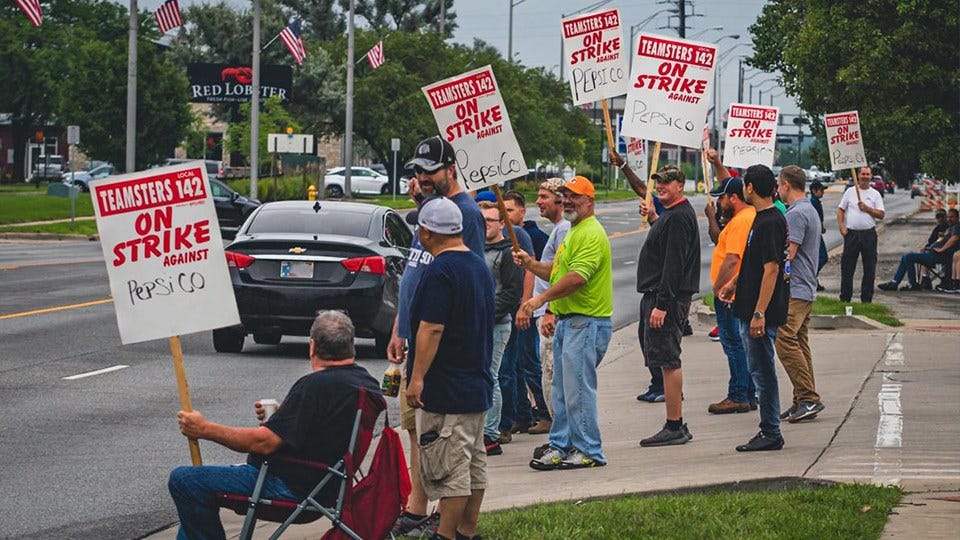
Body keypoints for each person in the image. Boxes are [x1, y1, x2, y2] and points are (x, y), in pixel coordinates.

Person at [168, 311, 382, 540]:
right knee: (194, 495)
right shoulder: (365, 382)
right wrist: (286, 415)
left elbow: (263, 443)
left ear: (312, 346)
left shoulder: (313, 387)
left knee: (185, 480)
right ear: (351, 345)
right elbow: (329, 425)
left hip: (289, 489)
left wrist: (204, 429)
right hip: (326, 487)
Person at [388, 136, 486, 538]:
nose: (421, 178)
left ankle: (447, 530)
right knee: (423, 433)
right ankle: (424, 509)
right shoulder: (433, 214)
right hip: (426, 351)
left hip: (445, 365)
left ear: (450, 169)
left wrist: (421, 373)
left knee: (449, 452)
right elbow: (414, 277)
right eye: (417, 172)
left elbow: (446, 313)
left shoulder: (461, 221)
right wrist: (400, 325)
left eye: (429, 172)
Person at [406, 196, 495, 540]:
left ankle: (444, 535)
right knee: (473, 467)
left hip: (447, 388)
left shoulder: (439, 270)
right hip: (475, 384)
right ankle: (466, 532)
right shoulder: (477, 265)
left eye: (420, 227)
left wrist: (417, 379)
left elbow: (432, 327)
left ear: (428, 233)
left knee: (450, 471)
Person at [514, 176, 613, 470]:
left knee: (578, 391)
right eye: (565, 196)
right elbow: (558, 272)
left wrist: (538, 300)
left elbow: (577, 278)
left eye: (575, 196)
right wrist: (531, 265)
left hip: (586, 323)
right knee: (561, 390)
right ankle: (561, 445)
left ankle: (589, 451)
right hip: (569, 323)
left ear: (590, 201)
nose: (568, 200)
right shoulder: (573, 230)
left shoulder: (590, 233)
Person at [719, 164, 789, 452]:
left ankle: (771, 431)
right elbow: (753, 263)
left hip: (759, 313)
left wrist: (759, 312)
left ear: (749, 188)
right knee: (757, 368)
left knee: (762, 372)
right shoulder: (760, 219)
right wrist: (734, 283)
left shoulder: (770, 221)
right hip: (746, 307)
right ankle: (768, 429)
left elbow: (772, 269)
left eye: (744, 184)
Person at [633, 165, 700, 446]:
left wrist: (662, 304)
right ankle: (676, 424)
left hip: (666, 300)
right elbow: (665, 247)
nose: (661, 187)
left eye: (667, 183)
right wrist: (653, 219)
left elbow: (673, 264)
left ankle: (674, 425)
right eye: (659, 183)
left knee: (669, 360)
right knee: (662, 359)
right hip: (660, 296)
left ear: (680, 185)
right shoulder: (671, 215)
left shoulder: (678, 217)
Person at [515, 178, 570, 437]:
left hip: (550, 314)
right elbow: (549, 270)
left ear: (560, 199)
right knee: (548, 373)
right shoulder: (558, 229)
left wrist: (549, 310)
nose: (538, 201)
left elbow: (561, 274)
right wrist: (529, 263)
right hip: (544, 311)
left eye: (544, 196)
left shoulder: (563, 230)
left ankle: (559, 431)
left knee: (550, 375)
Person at [775, 165, 826, 423]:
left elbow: (789, 254)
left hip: (795, 287)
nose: (778, 189)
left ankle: (807, 397)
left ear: (786, 184)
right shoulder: (809, 209)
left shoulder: (795, 214)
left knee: (783, 337)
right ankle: (801, 401)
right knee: (799, 341)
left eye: (779, 184)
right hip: (806, 285)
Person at [705, 169, 758, 415]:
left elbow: (732, 259)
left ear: (734, 197)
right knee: (742, 344)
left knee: (733, 344)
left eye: (722, 197)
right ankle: (748, 393)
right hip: (739, 291)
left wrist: (718, 288)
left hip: (730, 294)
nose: (719, 202)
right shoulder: (750, 216)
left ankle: (738, 394)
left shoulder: (740, 221)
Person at [499, 189, 551, 437]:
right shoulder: (498, 236)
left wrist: (529, 304)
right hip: (511, 309)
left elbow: (538, 272)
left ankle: (545, 412)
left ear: (522, 211)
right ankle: (521, 414)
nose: (505, 216)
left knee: (529, 363)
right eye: (502, 212)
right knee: (512, 366)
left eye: (510, 210)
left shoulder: (532, 237)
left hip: (528, 309)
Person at [479, 202, 524, 456]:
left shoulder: (508, 253)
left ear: (501, 225)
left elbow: (511, 293)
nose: (486, 224)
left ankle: (491, 434)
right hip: (476, 325)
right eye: (482, 219)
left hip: (497, 325)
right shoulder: (475, 248)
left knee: (491, 376)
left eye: (491, 220)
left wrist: (484, 314)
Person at [878, 209, 960, 292]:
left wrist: (942, 249)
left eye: (952, 217)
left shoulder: (957, 227)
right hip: (933, 253)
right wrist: (929, 247)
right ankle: (894, 283)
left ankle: (912, 284)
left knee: (908, 257)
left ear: (957, 218)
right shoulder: (950, 228)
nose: (949, 219)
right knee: (905, 257)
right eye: (948, 217)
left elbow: (954, 238)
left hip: (938, 256)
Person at [837, 166, 885, 303]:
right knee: (847, 267)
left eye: (867, 174)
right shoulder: (850, 192)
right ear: (858, 175)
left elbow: (881, 214)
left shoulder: (875, 194)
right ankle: (845, 298)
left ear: (871, 176)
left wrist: (867, 208)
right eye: (862, 174)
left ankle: (866, 299)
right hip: (851, 234)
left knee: (869, 268)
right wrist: (842, 227)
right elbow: (840, 210)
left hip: (868, 234)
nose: (865, 176)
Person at [809, 180, 828, 291]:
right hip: (815, 234)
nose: (823, 192)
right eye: (821, 190)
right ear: (814, 191)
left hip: (817, 232)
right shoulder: (813, 202)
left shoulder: (816, 201)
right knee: (822, 257)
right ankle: (812, 277)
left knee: (817, 257)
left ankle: (814, 279)